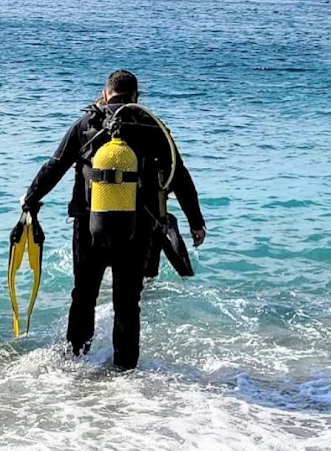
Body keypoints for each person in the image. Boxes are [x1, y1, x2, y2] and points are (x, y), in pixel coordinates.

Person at [20, 70, 207, 369]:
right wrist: (195, 222)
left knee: (84, 295)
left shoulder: (86, 124)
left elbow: (55, 166)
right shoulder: (150, 126)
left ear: (106, 94)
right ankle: (125, 371)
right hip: (136, 229)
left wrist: (30, 199)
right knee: (127, 302)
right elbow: (179, 177)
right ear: (136, 96)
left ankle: (74, 363)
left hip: (89, 225)